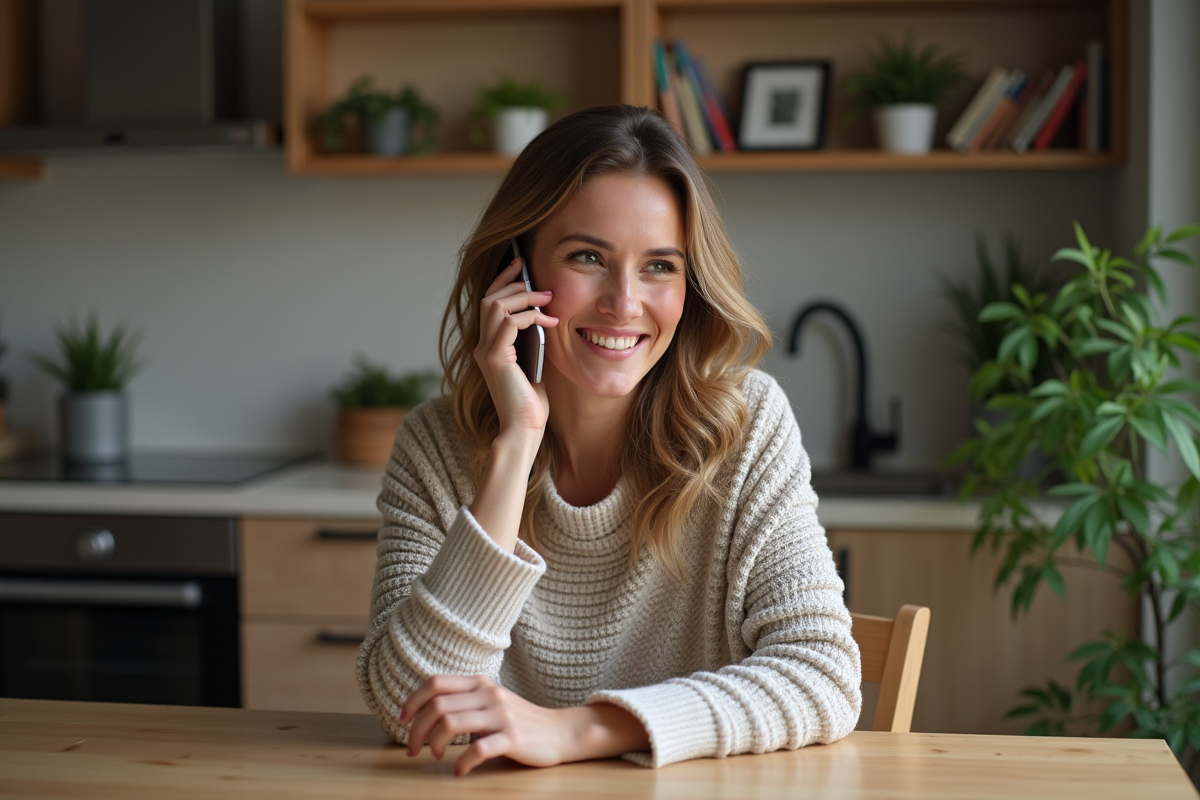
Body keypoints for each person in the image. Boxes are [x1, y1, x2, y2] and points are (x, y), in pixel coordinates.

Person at [356, 104, 861, 775]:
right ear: (517, 273)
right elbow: (406, 710)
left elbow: (823, 676)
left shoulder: (747, 426)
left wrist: (577, 731)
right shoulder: (435, 445)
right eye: (588, 257)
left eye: (659, 266)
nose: (624, 303)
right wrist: (515, 447)